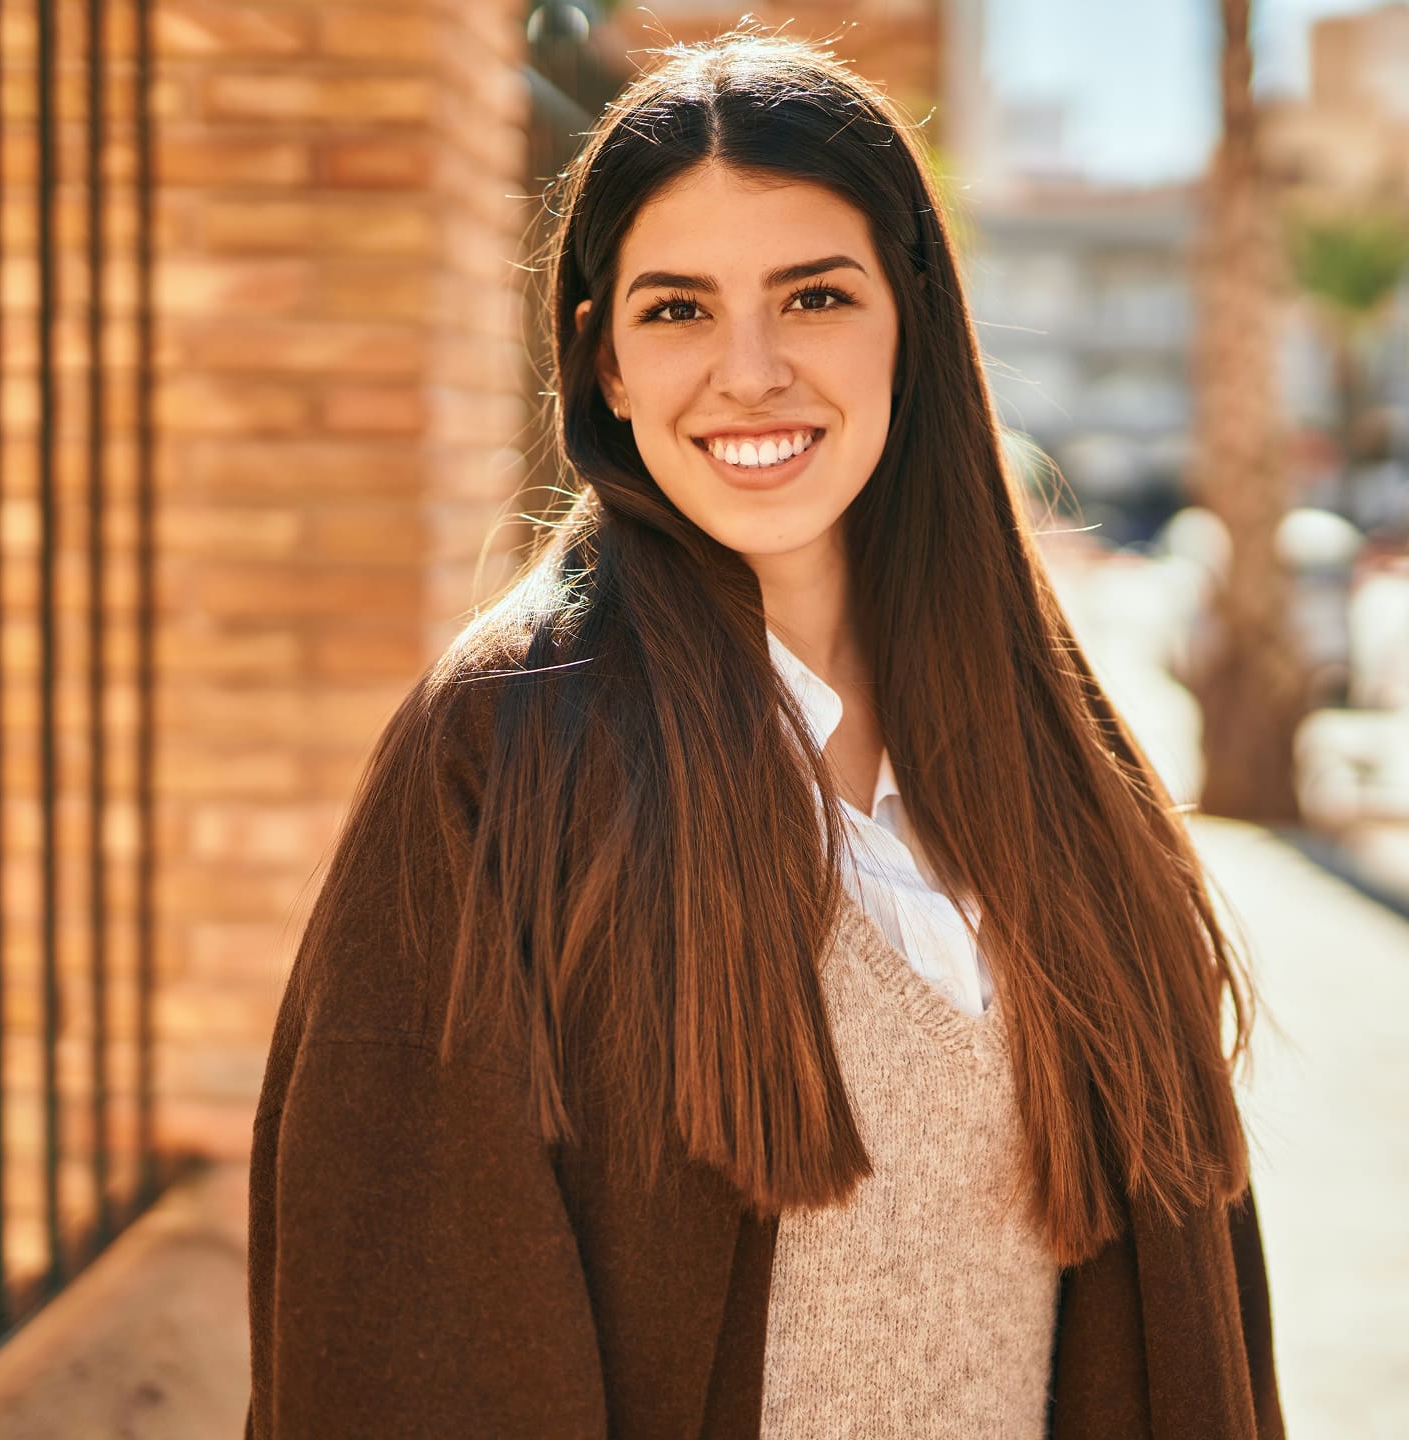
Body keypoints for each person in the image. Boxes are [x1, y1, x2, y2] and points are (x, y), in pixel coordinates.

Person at [245, 30, 1282, 1440]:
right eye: (677, 311)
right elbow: (399, 1337)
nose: (751, 372)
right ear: (601, 360)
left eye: (813, 296)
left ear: (908, 320)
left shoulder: (1046, 734)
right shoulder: (502, 748)